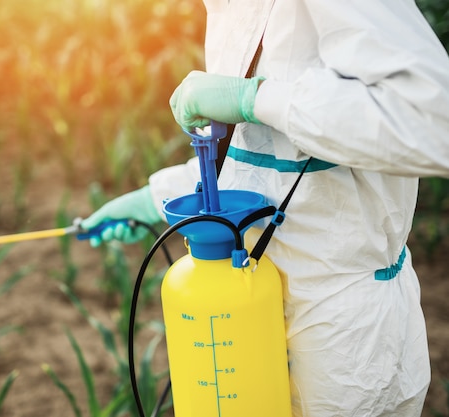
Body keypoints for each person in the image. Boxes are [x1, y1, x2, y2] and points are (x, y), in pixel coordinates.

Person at [81, 0, 449, 415]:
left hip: (343, 343)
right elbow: (263, 157)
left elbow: (431, 119)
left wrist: (255, 99)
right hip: (252, 313)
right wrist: (158, 196)